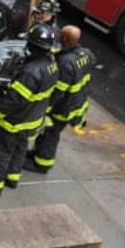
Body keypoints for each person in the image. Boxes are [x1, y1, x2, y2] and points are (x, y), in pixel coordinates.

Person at [0, 22, 59, 197]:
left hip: (16, 122)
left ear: (33, 46)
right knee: (20, 149)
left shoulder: (30, 72)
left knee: (1, 151)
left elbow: (13, 100)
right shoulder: (52, 65)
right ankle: (12, 178)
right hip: (33, 120)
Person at [24, 25, 95, 174]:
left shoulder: (65, 63)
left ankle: (42, 164)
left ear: (64, 38)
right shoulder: (86, 54)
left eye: (60, 36)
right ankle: (38, 154)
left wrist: (45, 109)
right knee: (48, 133)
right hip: (77, 103)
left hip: (63, 108)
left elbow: (58, 92)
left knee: (50, 133)